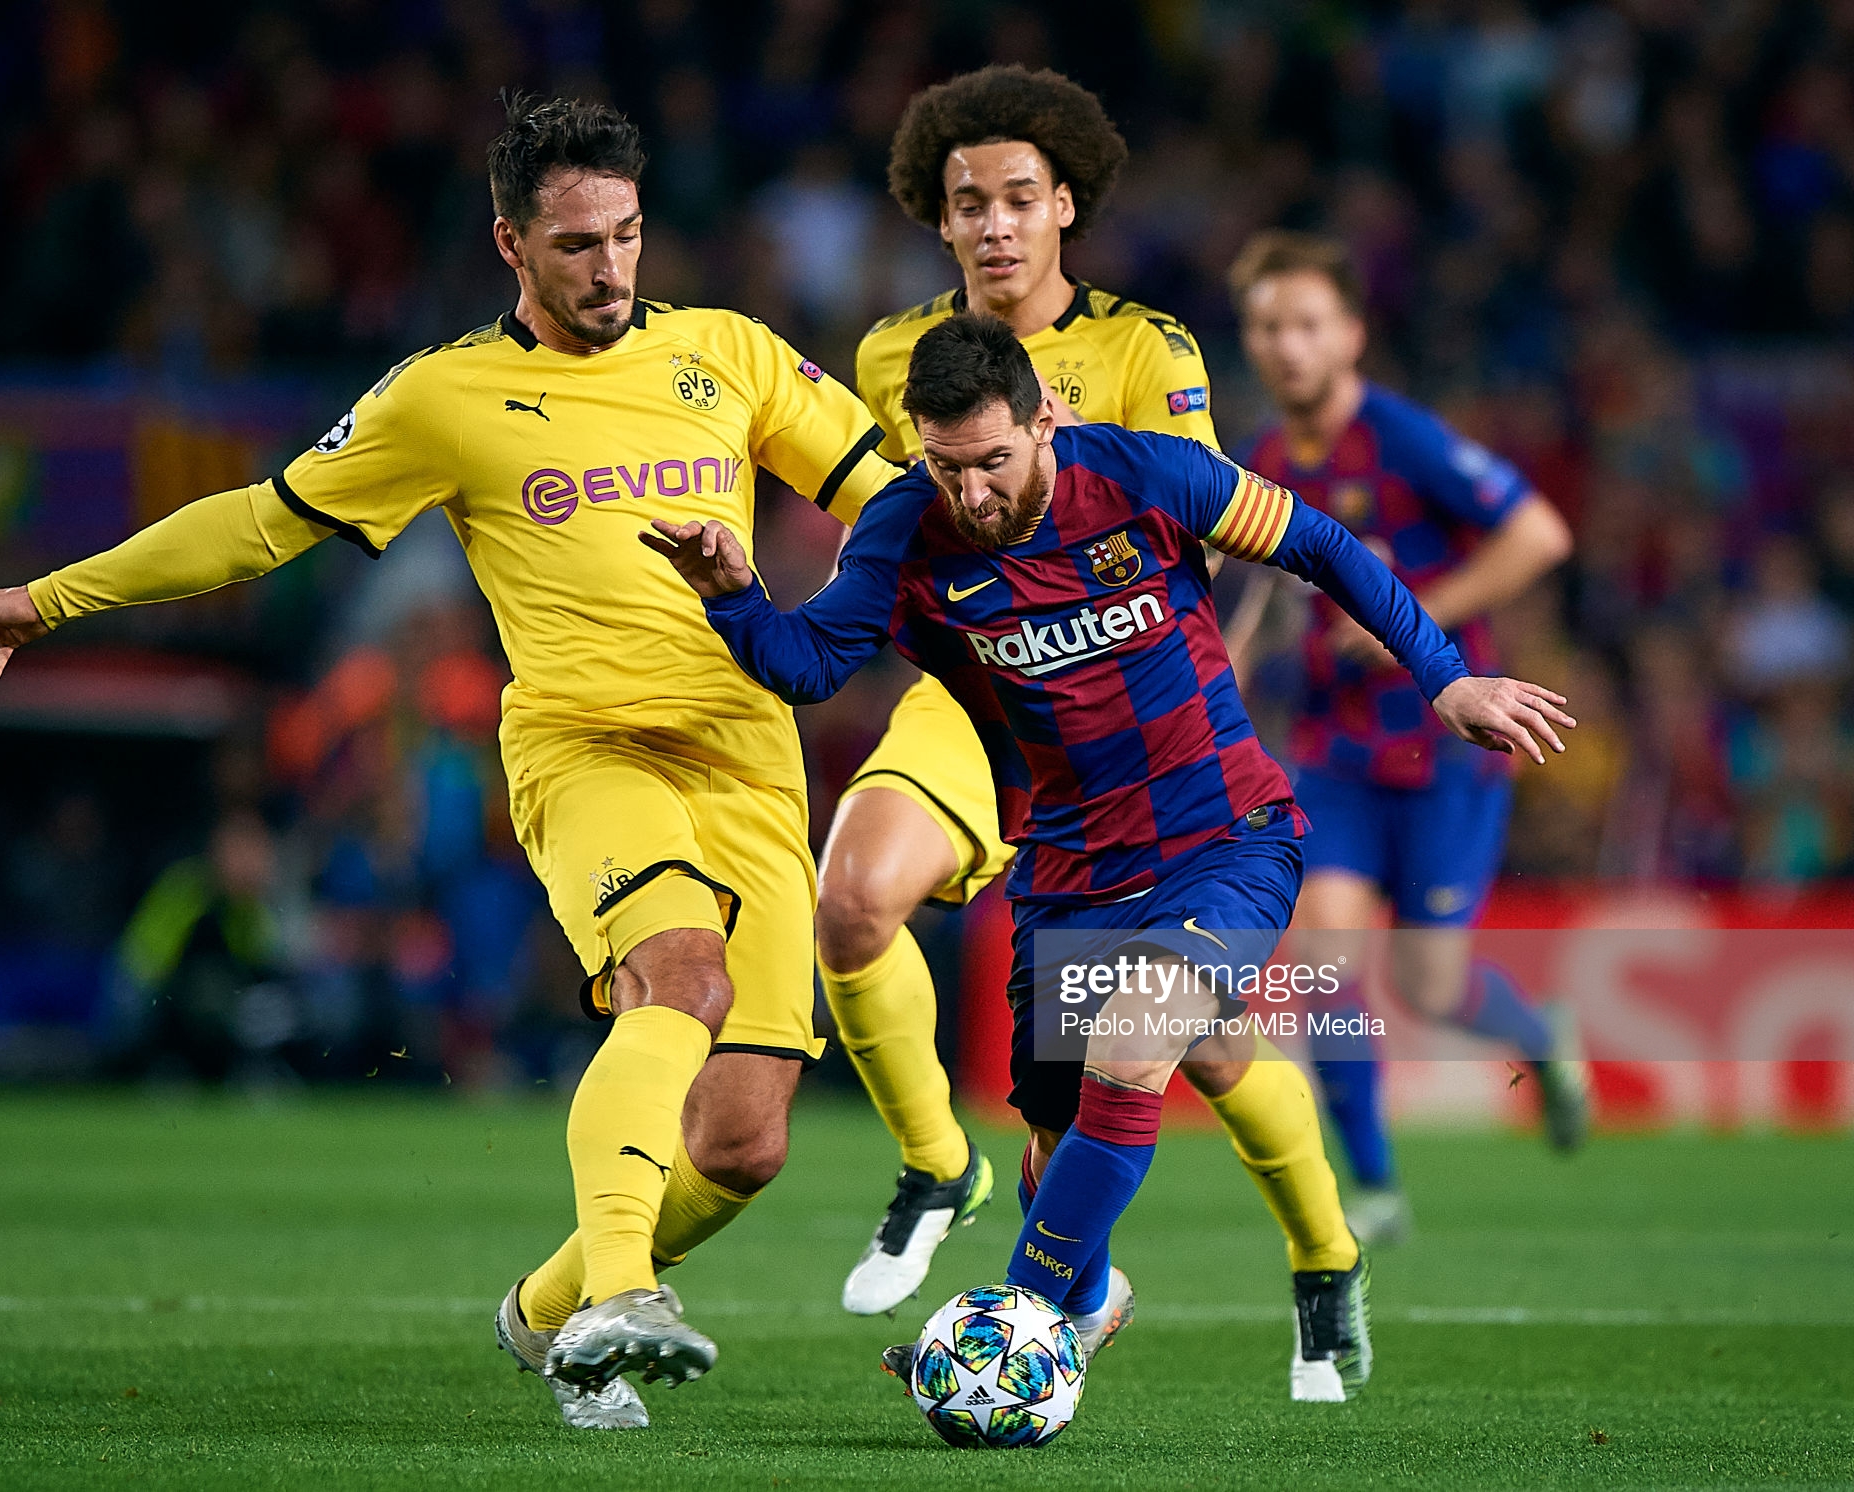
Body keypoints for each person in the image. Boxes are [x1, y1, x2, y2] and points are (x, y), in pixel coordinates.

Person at [0, 94, 904, 1431]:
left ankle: (547, 1314)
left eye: (625, 236)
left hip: (752, 757)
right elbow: (259, 526)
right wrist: (44, 600)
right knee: (680, 972)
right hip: (587, 749)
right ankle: (622, 1293)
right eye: (574, 245)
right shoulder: (444, 397)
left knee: (742, 1144)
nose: (609, 269)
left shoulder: (727, 353)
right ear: (510, 242)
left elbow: (893, 499)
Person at [647, 312, 1576, 1401]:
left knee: (1131, 1047)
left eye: (993, 460)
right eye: (947, 467)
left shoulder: (1144, 473)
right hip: (1064, 864)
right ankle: (1099, 1296)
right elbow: (807, 664)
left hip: (1223, 836)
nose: (974, 493)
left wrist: (1445, 678)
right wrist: (732, 594)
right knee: (1054, 1131)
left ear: (1047, 419)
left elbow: (1319, 546)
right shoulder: (905, 529)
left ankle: (1012, 1329)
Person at [822, 66, 1365, 1345]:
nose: (995, 225)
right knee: (848, 899)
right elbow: (894, 533)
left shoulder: (1145, 347)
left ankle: (1319, 1249)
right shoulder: (892, 354)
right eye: (969, 204)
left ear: (1064, 205)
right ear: (938, 219)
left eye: (1019, 198)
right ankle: (934, 1171)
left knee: (1195, 1048)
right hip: (973, 702)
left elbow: (1211, 524)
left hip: (1124, 721)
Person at [1229, 232, 1589, 1246]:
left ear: (1349, 333)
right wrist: (1228, 660)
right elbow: (1253, 584)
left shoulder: (1403, 437)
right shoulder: (1260, 458)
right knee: (1325, 961)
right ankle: (1376, 1185)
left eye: (1304, 324)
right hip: (1333, 754)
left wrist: (1410, 616)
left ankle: (1537, 1038)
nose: (1285, 346)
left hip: (1443, 754)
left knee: (1430, 982)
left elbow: (1538, 534)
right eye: (1265, 327)